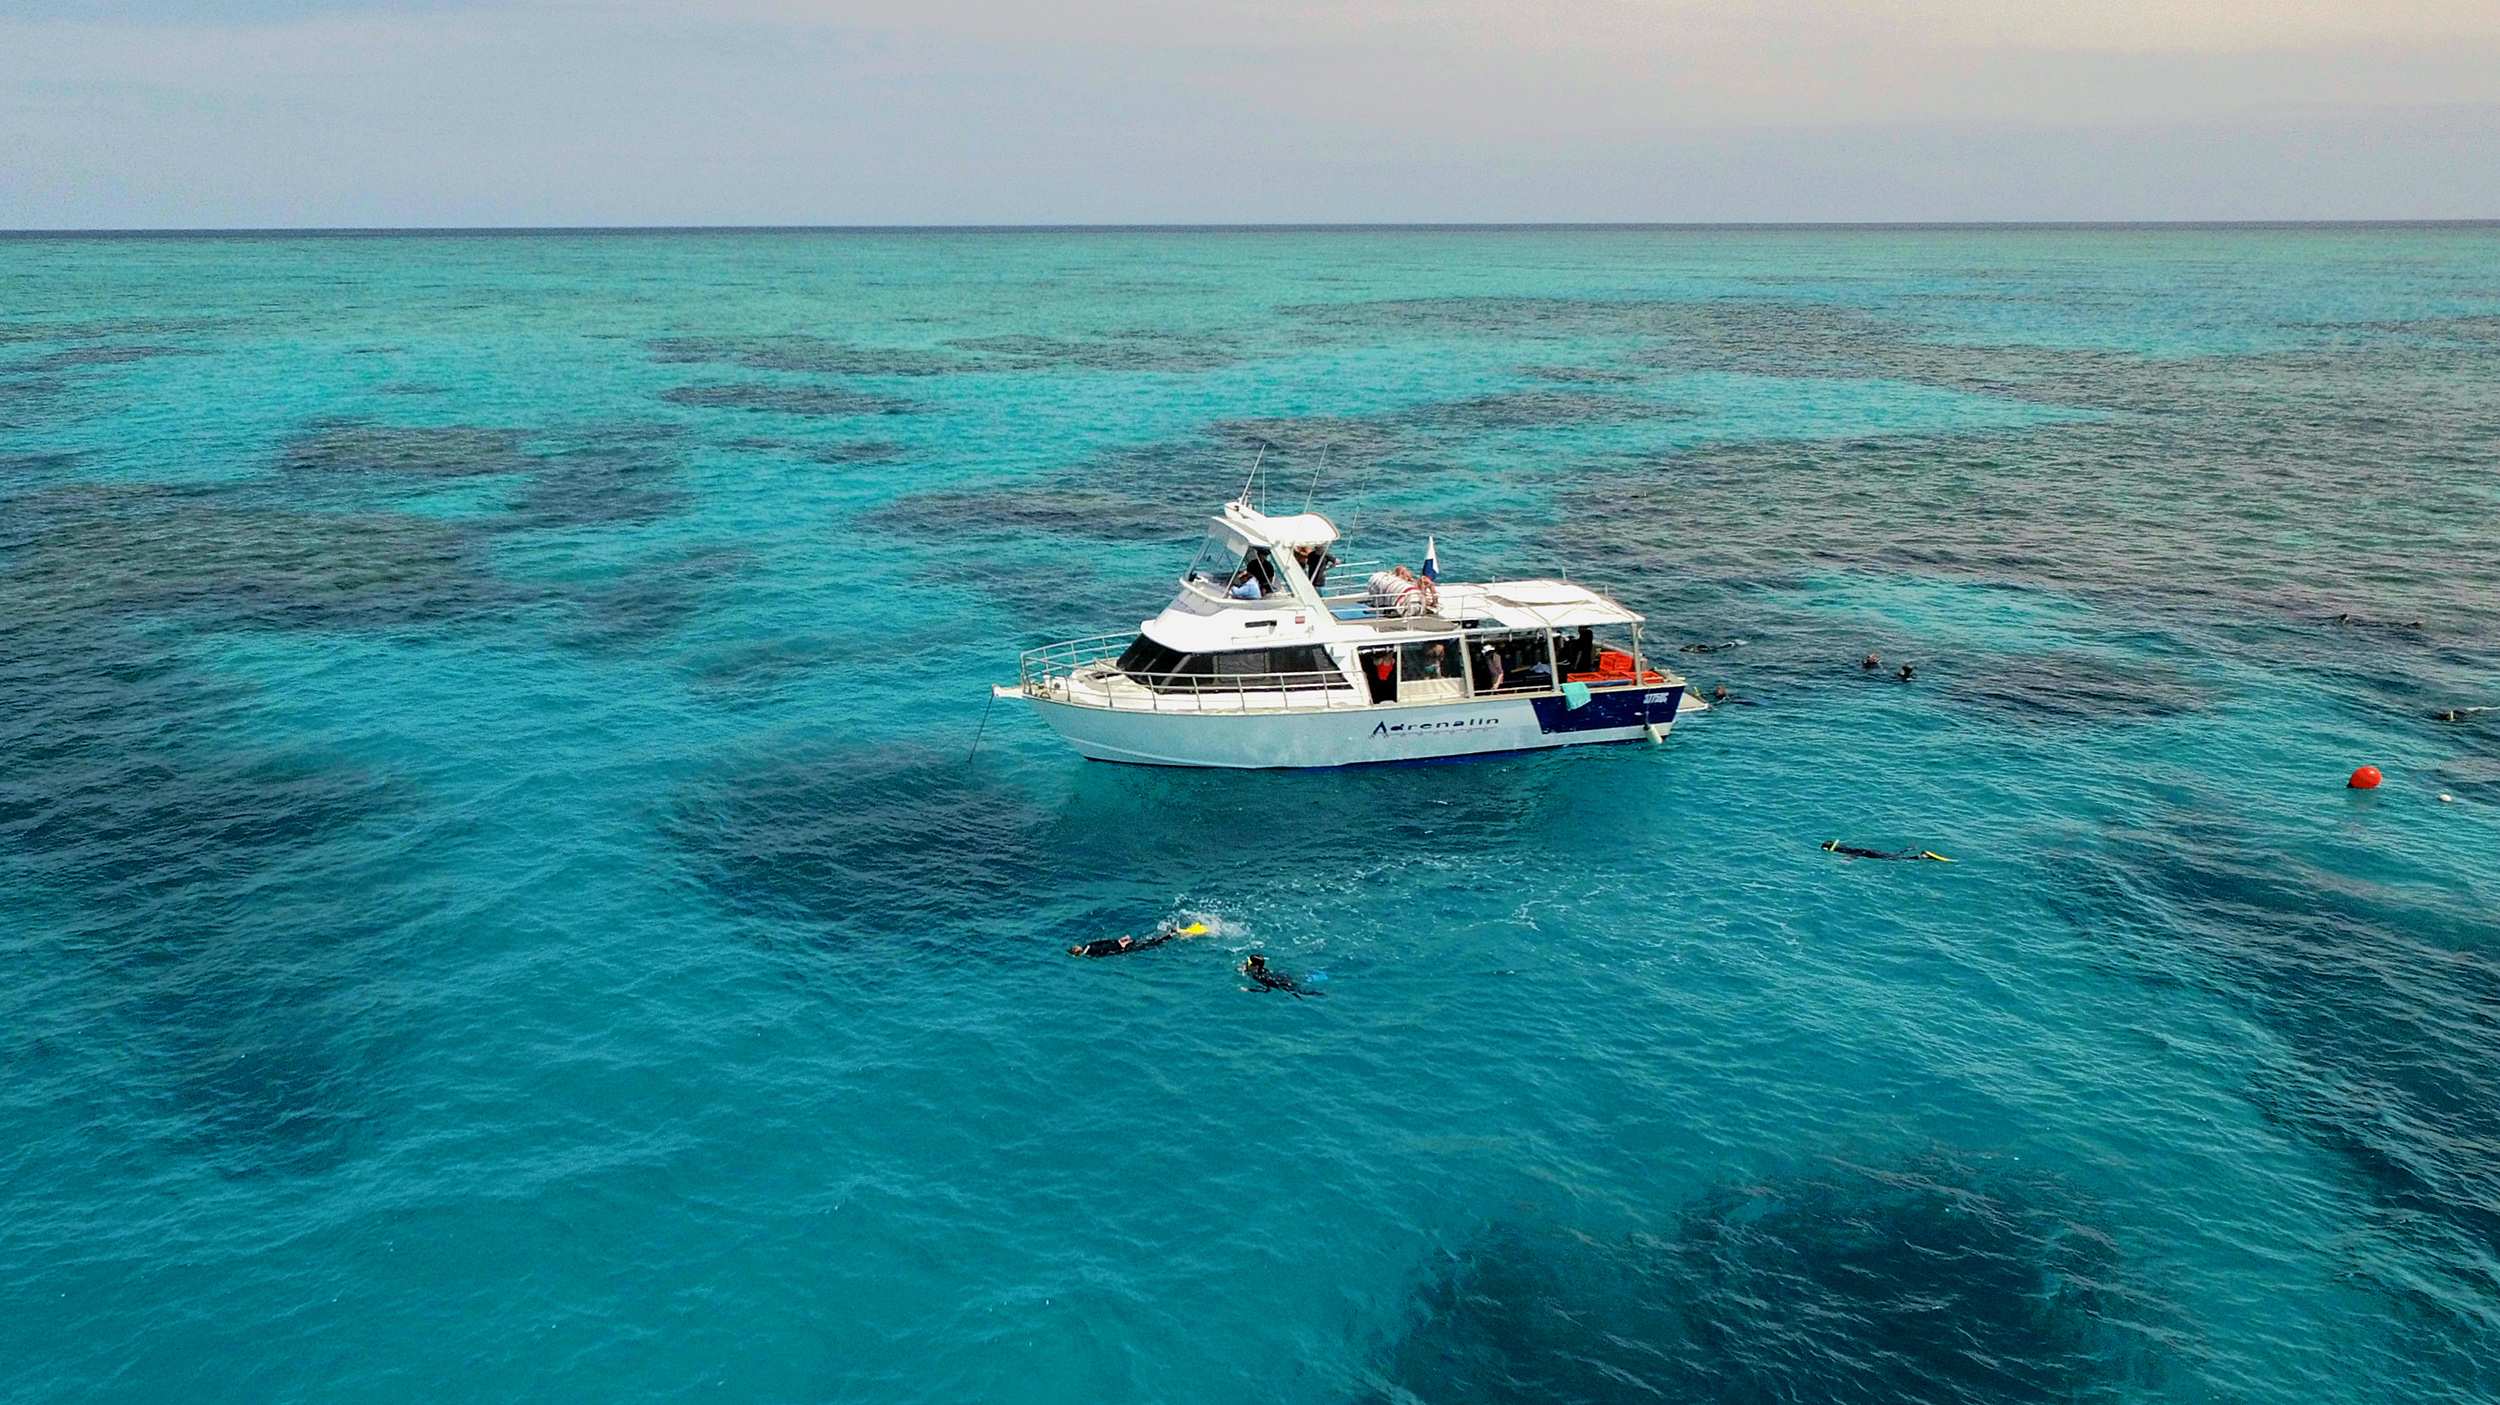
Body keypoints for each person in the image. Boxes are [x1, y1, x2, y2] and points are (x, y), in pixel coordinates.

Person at [1070, 920, 1210, 958]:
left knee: (1152, 944)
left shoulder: (1089, 951)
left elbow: (1105, 947)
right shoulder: (1089, 948)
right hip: (1122, 946)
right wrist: (1120, 942)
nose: (1076, 946)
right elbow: (1105, 945)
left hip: (1123, 947)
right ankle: (1170, 933)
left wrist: (1120, 943)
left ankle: (1171, 934)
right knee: (1149, 942)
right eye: (1074, 947)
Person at [1241, 953, 1314, 997]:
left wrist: (1249, 989)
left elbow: (1266, 990)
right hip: (1281, 978)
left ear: (1256, 966)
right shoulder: (1263, 970)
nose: (1247, 964)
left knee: (1305, 993)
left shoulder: (1259, 977)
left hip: (1284, 985)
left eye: (1249, 963)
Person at [1821, 840, 1952, 862]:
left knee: (1896, 859)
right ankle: (1910, 849)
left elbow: (1858, 853)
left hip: (1871, 854)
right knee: (1893, 855)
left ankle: (1921, 857)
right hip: (1872, 851)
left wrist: (1849, 859)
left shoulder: (1842, 850)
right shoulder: (1843, 847)